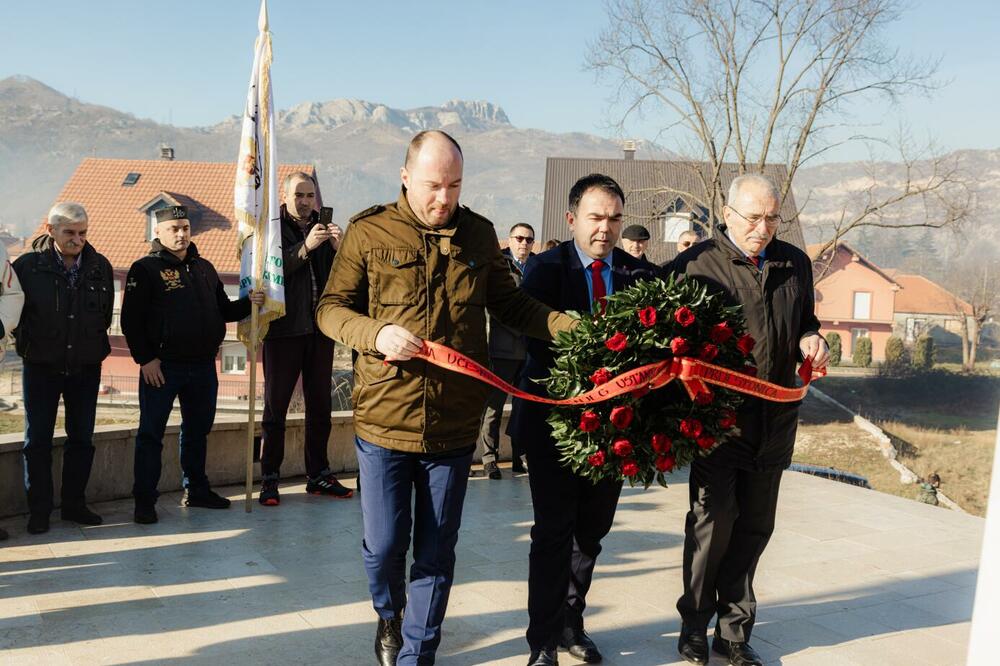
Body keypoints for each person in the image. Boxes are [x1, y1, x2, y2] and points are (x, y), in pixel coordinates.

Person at [316, 130, 576, 666]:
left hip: (455, 424)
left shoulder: (479, 235)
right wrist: (375, 333)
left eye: (454, 186)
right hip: (384, 420)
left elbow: (512, 305)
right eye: (434, 185)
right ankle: (388, 613)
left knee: (436, 552)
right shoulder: (368, 232)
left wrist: (564, 327)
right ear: (406, 176)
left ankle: (418, 653)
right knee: (386, 546)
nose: (444, 198)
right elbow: (330, 309)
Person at [666, 174, 828, 666]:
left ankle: (734, 632)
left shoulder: (794, 262)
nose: (763, 228)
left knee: (756, 528)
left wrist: (812, 339)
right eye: (754, 217)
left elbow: (806, 322)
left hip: (776, 422)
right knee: (711, 527)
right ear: (728, 212)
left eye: (773, 218)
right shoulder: (695, 265)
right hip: (717, 424)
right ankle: (693, 626)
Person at [510, 174, 655, 666]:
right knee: (553, 531)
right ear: (572, 219)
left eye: (614, 219)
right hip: (556, 424)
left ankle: (573, 623)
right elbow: (534, 341)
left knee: (592, 530)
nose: (606, 229)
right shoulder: (545, 271)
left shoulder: (640, 275)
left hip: (615, 429)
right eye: (596, 218)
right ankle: (543, 641)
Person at [121, 205, 263, 525]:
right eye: (174, 228)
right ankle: (145, 500)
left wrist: (248, 303)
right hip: (163, 367)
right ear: (158, 232)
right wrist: (146, 360)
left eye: (185, 227)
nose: (181, 233)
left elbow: (222, 310)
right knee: (151, 434)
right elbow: (131, 321)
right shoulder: (145, 269)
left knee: (198, 431)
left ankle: (197, 491)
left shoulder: (205, 268)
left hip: (202, 366)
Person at [13, 202, 108, 535]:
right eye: (70, 233)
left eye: (83, 233)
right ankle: (39, 511)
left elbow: (104, 317)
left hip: (85, 366)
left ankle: (74, 505)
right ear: (50, 229)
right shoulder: (26, 267)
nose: (77, 240)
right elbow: (13, 313)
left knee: (81, 438)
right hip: (41, 365)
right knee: (37, 440)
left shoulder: (100, 266)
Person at [258, 172, 352, 506]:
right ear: (284, 195)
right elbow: (271, 274)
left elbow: (343, 278)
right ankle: (269, 478)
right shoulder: (270, 228)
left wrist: (340, 249)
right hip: (283, 331)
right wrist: (305, 248)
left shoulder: (323, 228)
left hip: (319, 331)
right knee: (275, 409)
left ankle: (319, 474)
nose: (305, 201)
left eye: (310, 195)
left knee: (320, 408)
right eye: (299, 194)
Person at [478, 222, 534, 479]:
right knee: (494, 408)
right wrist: (519, 329)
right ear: (509, 240)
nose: (524, 244)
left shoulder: (537, 266)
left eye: (529, 240)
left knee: (525, 408)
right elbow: (495, 306)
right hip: (503, 350)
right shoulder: (499, 265)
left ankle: (520, 457)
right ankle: (490, 459)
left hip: (529, 351)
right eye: (520, 238)